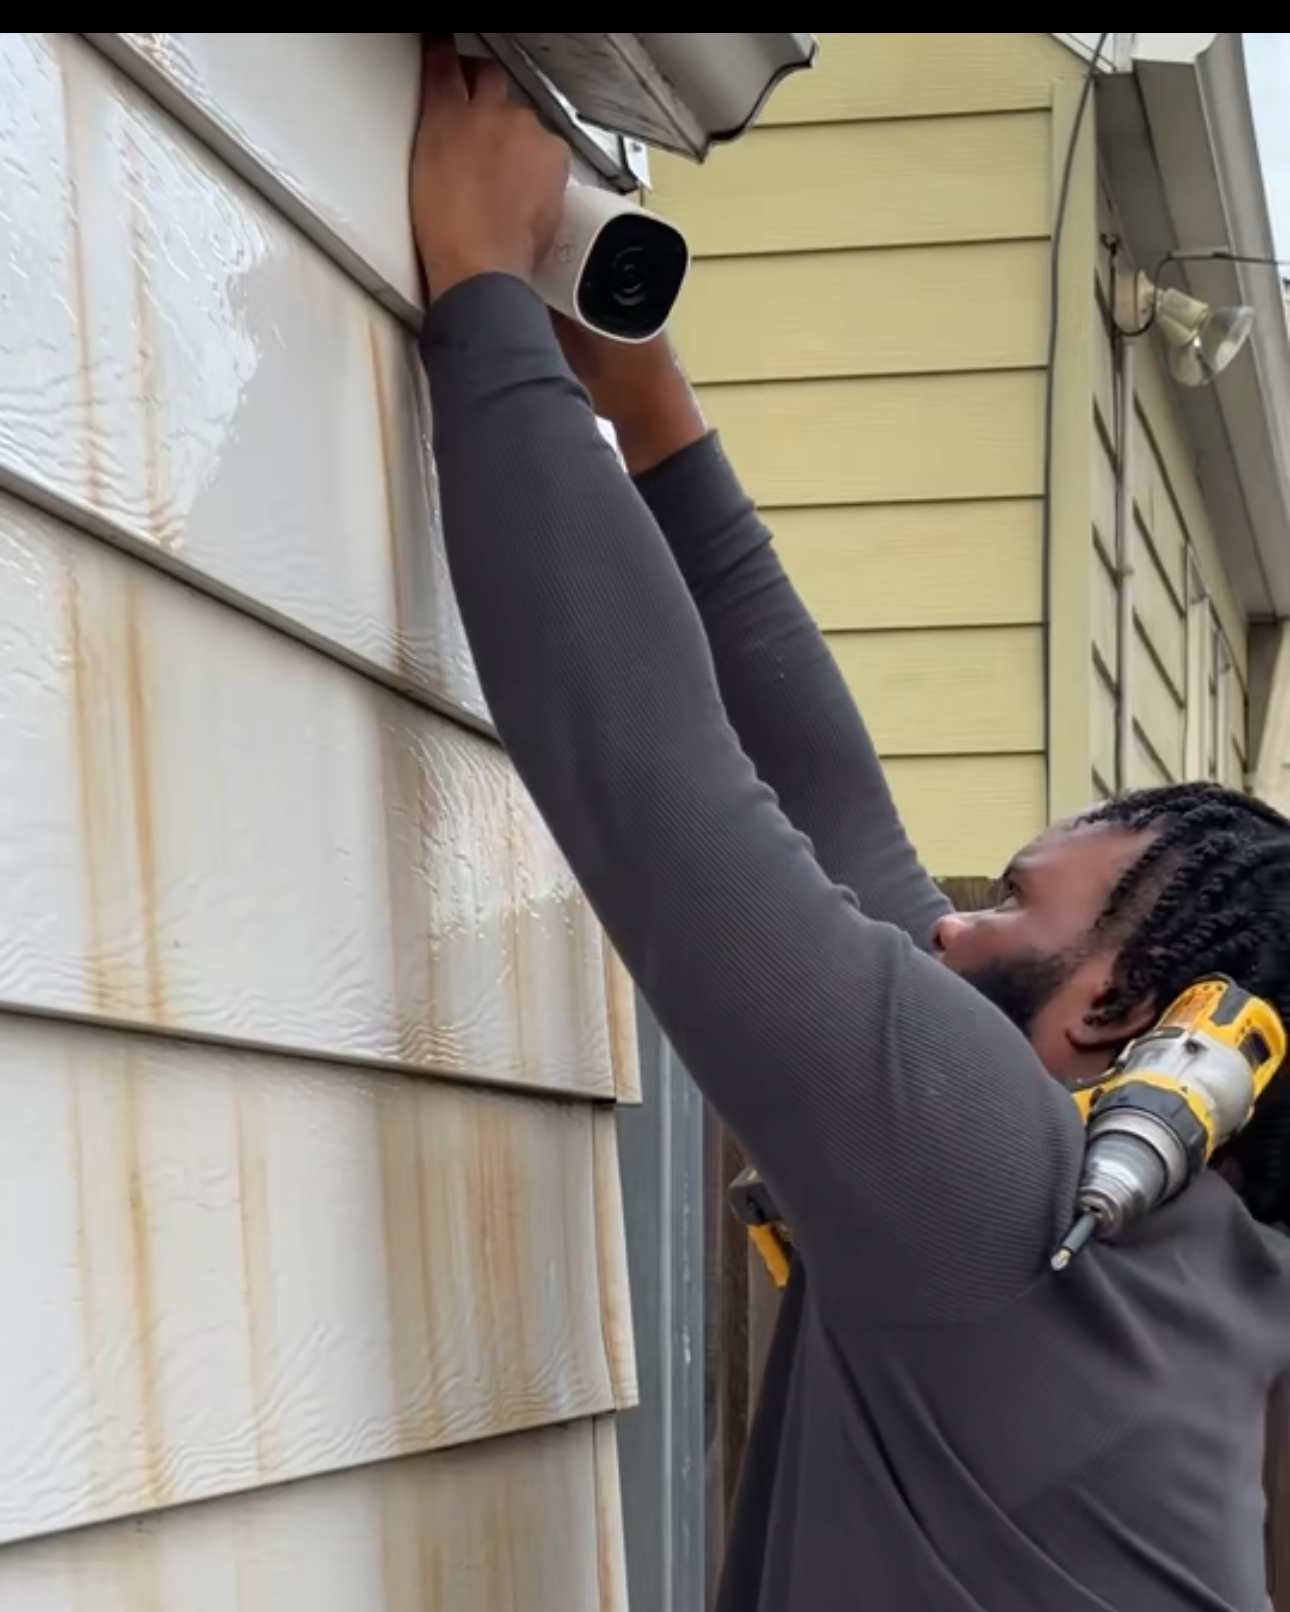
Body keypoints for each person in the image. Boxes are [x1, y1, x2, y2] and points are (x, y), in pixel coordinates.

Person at [409, 42, 1290, 1611]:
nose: (945, 922)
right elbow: (834, 811)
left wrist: (479, 288)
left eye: (1007, 906)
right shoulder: (1174, 1257)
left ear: (1113, 1011)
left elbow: (661, 789)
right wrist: (651, 413)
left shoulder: (1003, 1202)